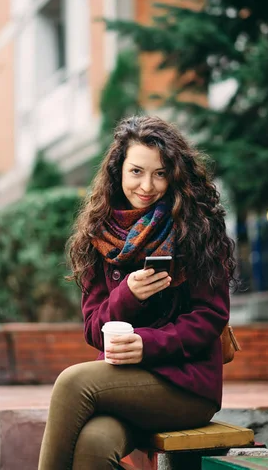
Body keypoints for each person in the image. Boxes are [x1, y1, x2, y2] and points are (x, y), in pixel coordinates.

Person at [38, 115, 235, 470]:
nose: (147, 185)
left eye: (160, 173)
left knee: (72, 382)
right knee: (94, 446)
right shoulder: (100, 234)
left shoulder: (198, 227)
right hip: (124, 381)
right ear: (119, 172)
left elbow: (210, 317)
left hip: (186, 385)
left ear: (175, 175)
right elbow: (93, 329)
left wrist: (147, 344)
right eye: (136, 172)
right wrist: (127, 294)